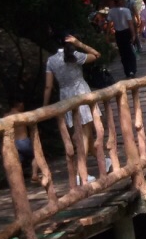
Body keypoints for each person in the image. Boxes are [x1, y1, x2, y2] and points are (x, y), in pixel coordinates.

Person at [43, 33, 102, 174]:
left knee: (81, 132)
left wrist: (45, 107)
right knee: (85, 134)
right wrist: (79, 43)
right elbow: (96, 54)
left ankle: (103, 161)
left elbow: (48, 86)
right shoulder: (74, 55)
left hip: (65, 96)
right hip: (81, 92)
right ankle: (81, 172)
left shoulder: (51, 61)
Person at [107, 0, 138, 78]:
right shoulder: (126, 10)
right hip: (126, 32)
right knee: (130, 52)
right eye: (122, 0)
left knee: (123, 53)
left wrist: (107, 35)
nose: (124, 2)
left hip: (118, 33)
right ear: (119, 1)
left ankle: (127, 71)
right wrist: (134, 34)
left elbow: (109, 24)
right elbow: (130, 23)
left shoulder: (111, 11)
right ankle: (133, 70)